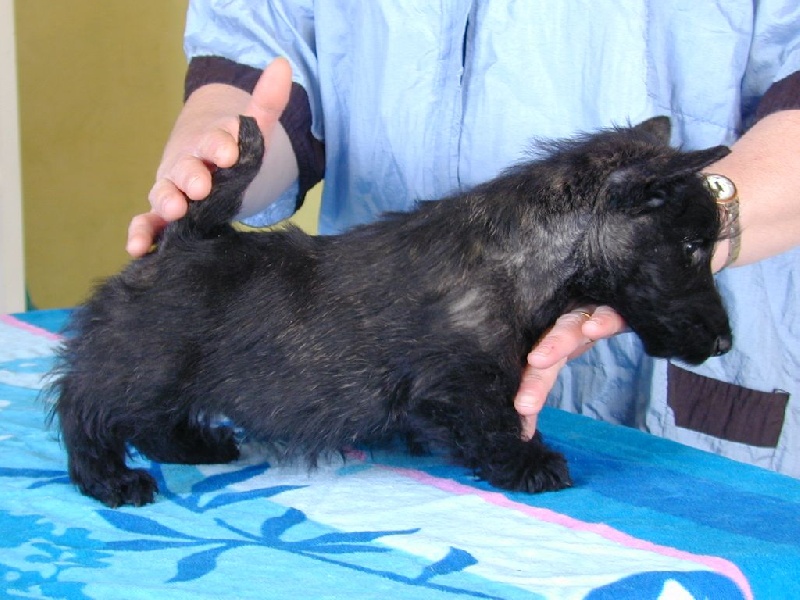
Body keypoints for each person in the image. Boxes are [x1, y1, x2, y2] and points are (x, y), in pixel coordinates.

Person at [127, 3, 800, 477]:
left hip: (675, 403)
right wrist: (221, 159)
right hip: (380, 368)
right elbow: (259, 61)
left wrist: (682, 232)